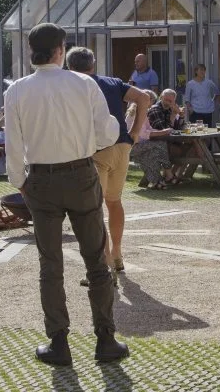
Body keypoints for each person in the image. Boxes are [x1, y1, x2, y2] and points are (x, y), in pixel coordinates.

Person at [4, 23, 128, 366]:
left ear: (32, 50)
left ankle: (59, 342)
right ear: (61, 49)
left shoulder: (16, 90)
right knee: (95, 257)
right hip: (81, 174)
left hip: (41, 179)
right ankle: (105, 338)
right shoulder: (84, 83)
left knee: (50, 263)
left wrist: (20, 182)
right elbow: (107, 133)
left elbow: (13, 144)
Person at [66, 46, 149, 278]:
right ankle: (118, 254)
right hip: (122, 147)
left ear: (70, 66)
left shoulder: (74, 85)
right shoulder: (112, 82)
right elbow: (143, 97)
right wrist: (135, 132)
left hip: (95, 150)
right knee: (114, 202)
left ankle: (104, 262)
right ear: (93, 64)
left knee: (93, 209)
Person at [130, 91, 173, 189]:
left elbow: (148, 129)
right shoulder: (136, 112)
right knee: (160, 144)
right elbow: (143, 134)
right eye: (152, 100)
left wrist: (164, 131)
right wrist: (164, 132)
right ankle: (169, 172)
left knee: (152, 155)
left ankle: (156, 181)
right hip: (132, 146)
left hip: (140, 145)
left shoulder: (142, 111)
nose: (152, 103)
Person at [148, 89, 186, 185]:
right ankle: (171, 176)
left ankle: (171, 175)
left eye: (171, 101)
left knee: (190, 148)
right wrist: (173, 115)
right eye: (166, 100)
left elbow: (180, 129)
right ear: (161, 97)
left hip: (168, 142)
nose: (168, 102)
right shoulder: (155, 109)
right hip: (157, 142)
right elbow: (164, 131)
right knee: (185, 151)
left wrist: (181, 116)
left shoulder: (170, 109)